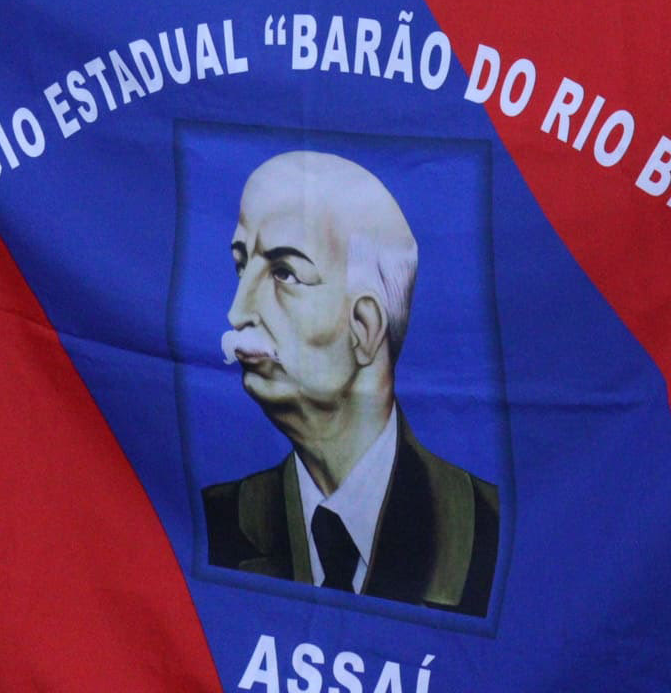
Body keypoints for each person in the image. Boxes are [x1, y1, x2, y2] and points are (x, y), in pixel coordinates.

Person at [207, 151, 499, 616]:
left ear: (364, 327)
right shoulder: (209, 523)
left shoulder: (489, 532)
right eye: (242, 267)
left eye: (283, 272)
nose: (237, 311)